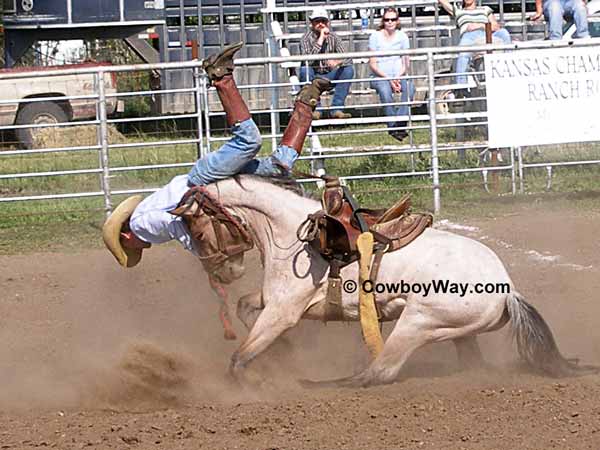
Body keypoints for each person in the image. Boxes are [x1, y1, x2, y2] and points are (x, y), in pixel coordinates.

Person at [103, 42, 331, 268]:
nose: (137, 250)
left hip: (201, 183)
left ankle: (220, 75)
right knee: (279, 166)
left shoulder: (141, 227)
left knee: (248, 141)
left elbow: (177, 222)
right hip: (206, 187)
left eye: (130, 249)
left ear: (125, 238)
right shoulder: (143, 221)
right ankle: (306, 102)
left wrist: (202, 253)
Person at [438, 0, 512, 85]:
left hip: (486, 32)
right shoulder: (459, 11)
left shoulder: (485, 9)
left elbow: (496, 26)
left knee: (504, 33)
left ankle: (509, 70)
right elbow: (443, 2)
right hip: (469, 35)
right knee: (463, 53)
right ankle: (461, 86)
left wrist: (480, 25)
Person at [368, 7, 415, 142]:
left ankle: (399, 124)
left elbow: (406, 62)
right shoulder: (375, 36)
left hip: (399, 75)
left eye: (393, 19)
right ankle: (393, 126)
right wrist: (389, 79)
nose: (390, 22)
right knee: (384, 89)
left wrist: (397, 78)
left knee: (410, 88)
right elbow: (373, 64)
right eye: (387, 19)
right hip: (379, 76)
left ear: (397, 21)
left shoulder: (403, 36)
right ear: (383, 21)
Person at [299, 6, 354, 120]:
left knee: (348, 69)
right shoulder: (305, 39)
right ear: (312, 23)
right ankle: (316, 109)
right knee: (305, 69)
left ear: (327, 23)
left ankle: (337, 109)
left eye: (323, 21)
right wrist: (321, 40)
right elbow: (308, 60)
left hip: (330, 75)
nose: (320, 24)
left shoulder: (334, 38)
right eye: (317, 21)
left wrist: (337, 62)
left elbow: (347, 58)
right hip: (314, 74)